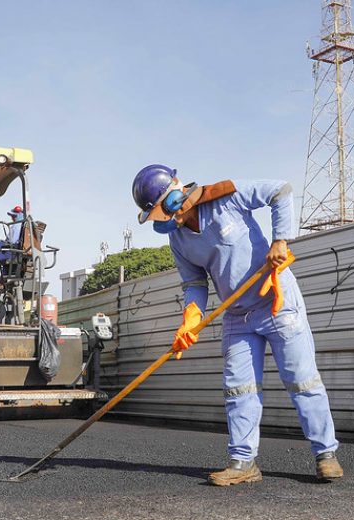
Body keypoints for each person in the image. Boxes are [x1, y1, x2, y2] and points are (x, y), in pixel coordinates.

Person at [131, 164, 343, 485]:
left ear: (176, 195)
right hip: (237, 316)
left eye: (165, 209)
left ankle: (325, 454)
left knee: (301, 379)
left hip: (277, 300)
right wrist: (191, 319)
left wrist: (280, 241)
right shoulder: (178, 241)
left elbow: (280, 190)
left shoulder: (225, 197)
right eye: (159, 215)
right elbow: (195, 284)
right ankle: (243, 463)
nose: (167, 218)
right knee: (238, 388)